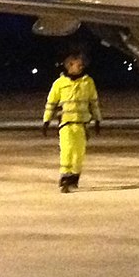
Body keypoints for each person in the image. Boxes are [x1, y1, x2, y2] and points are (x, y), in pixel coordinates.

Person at [43, 51, 101, 191]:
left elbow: (94, 102)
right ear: (69, 66)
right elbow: (51, 103)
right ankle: (65, 177)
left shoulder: (88, 82)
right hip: (66, 123)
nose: (81, 67)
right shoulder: (59, 84)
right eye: (78, 65)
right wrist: (46, 120)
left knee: (79, 152)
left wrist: (98, 119)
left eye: (82, 65)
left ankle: (74, 177)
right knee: (67, 150)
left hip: (82, 124)